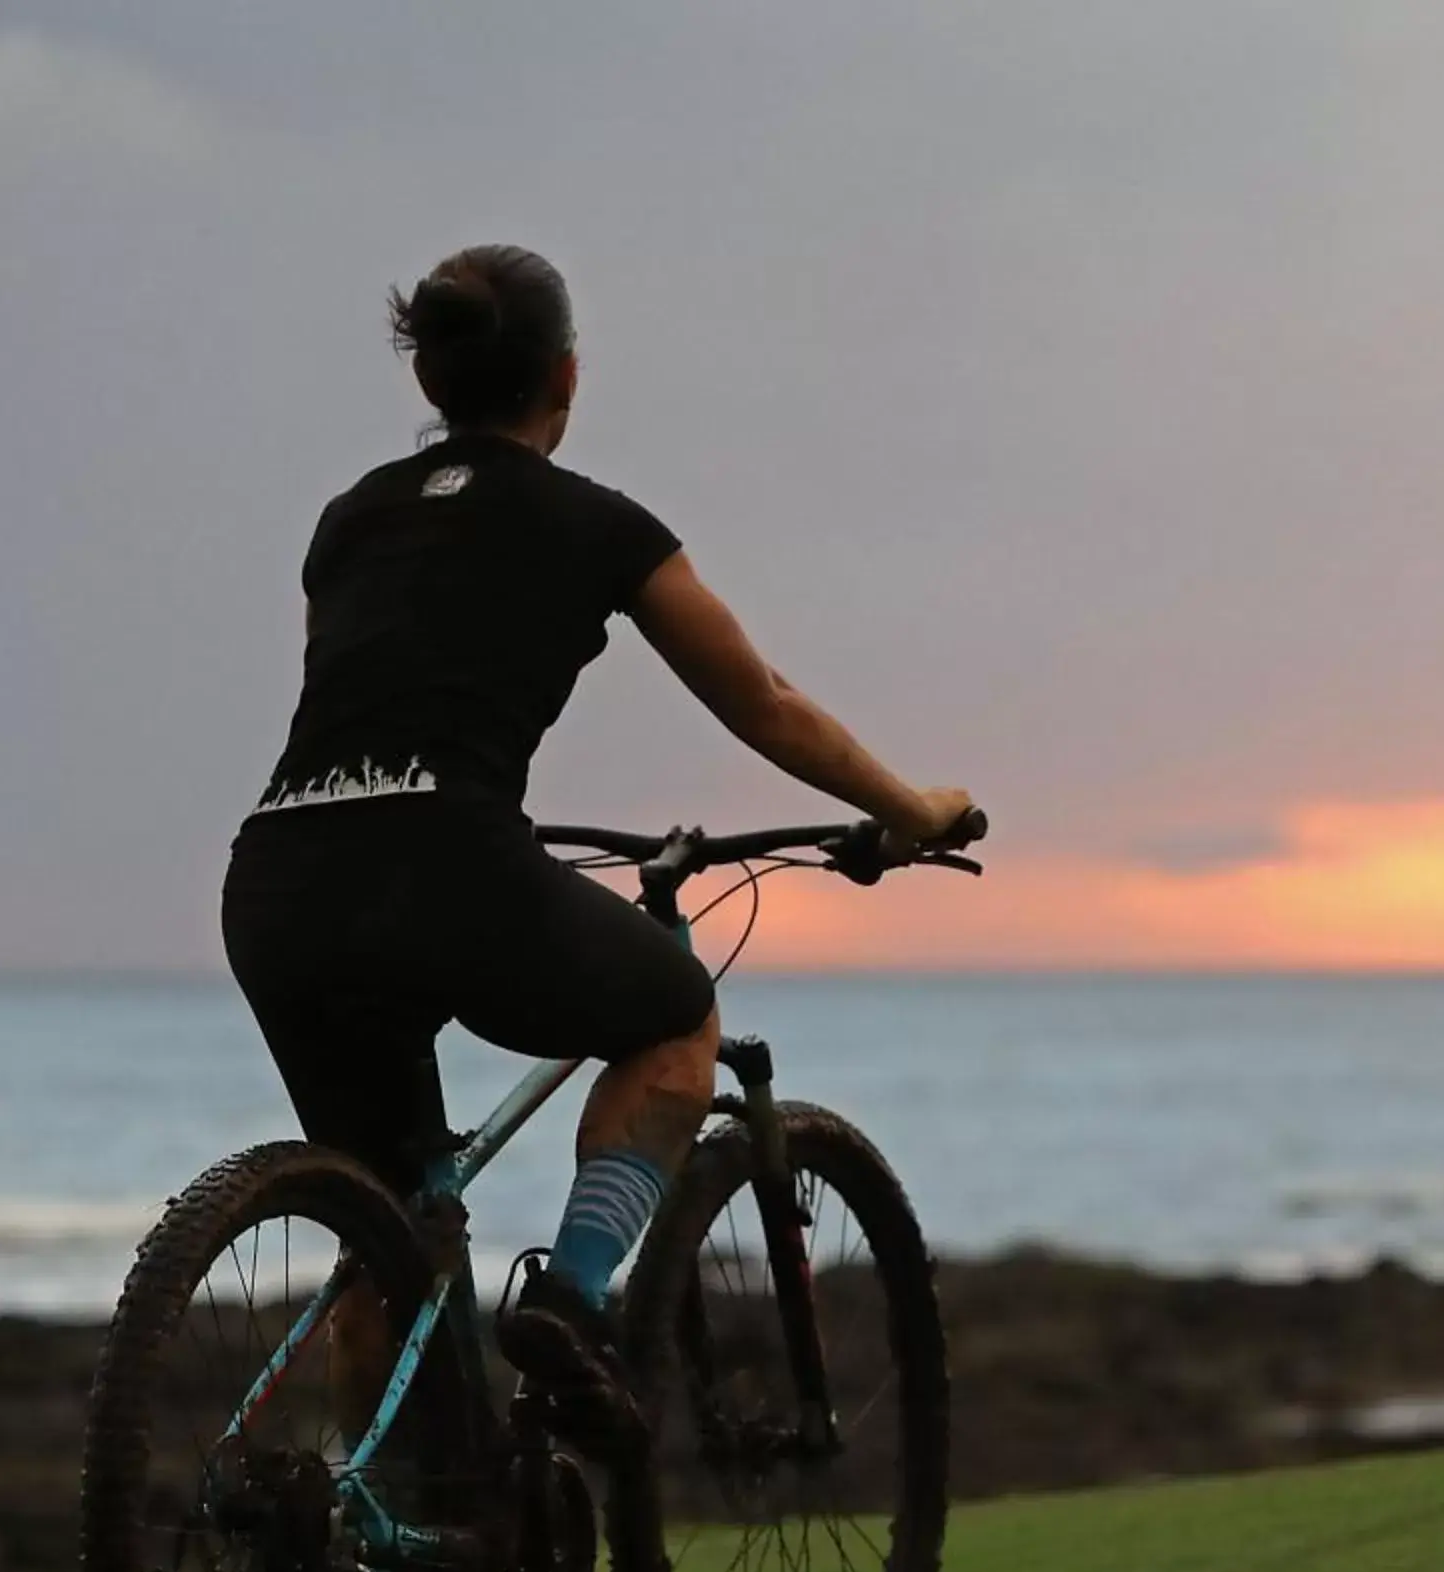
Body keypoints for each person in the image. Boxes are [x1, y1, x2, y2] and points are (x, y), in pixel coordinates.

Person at [223, 243, 974, 1448]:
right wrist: (908, 808)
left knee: (390, 1225)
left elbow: (368, 689)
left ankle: (392, 1563)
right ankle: (570, 1307)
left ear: (432, 377)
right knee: (676, 1019)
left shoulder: (348, 522)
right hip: (442, 864)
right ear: (566, 375)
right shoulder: (598, 527)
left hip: (276, 879)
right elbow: (764, 702)